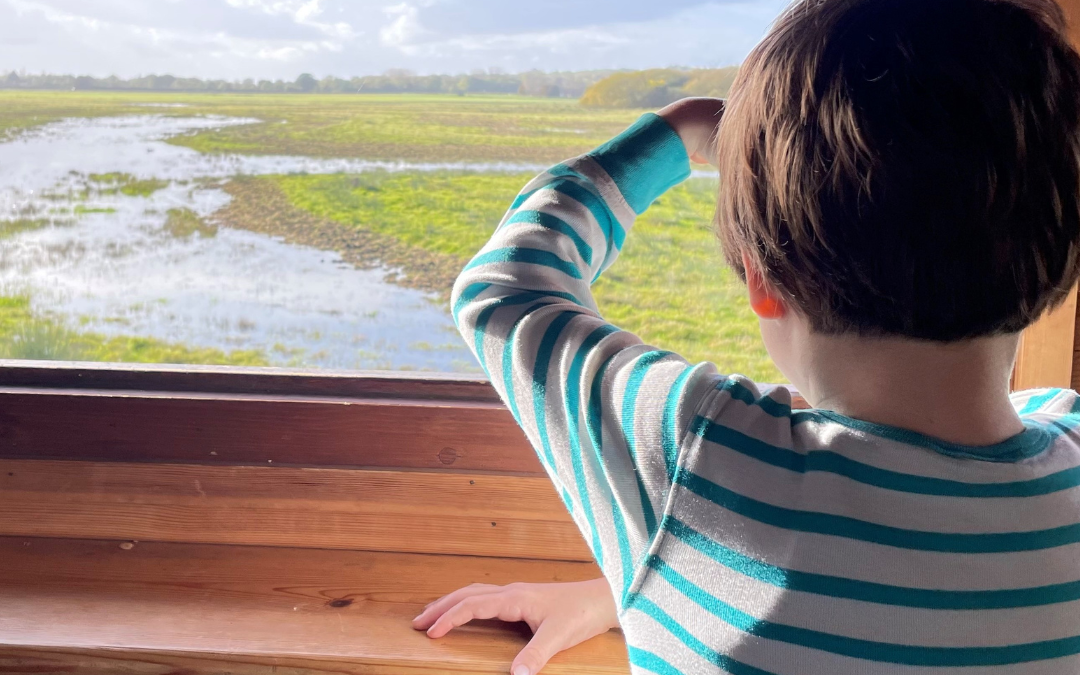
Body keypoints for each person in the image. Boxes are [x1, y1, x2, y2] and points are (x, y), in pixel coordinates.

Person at [413, 0, 1080, 672]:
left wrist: (681, 131)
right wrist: (622, 586)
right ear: (1056, 254)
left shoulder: (698, 459)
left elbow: (500, 290)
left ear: (763, 281)